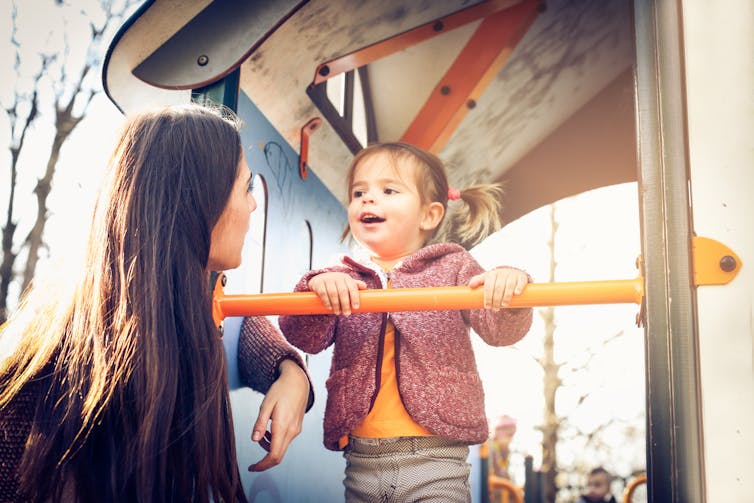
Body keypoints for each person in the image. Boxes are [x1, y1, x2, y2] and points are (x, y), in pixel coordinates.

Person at [0, 104, 312, 502]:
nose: (253, 205)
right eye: (246, 187)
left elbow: (236, 324)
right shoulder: (37, 382)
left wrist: (291, 371)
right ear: (199, 201)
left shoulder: (182, 308)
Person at [278, 141, 533, 502]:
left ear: (429, 215)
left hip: (437, 455)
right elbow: (305, 336)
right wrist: (315, 287)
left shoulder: (453, 266)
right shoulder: (342, 276)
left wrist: (508, 284)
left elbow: (499, 330)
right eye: (358, 192)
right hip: (362, 458)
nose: (368, 199)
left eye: (388, 190)